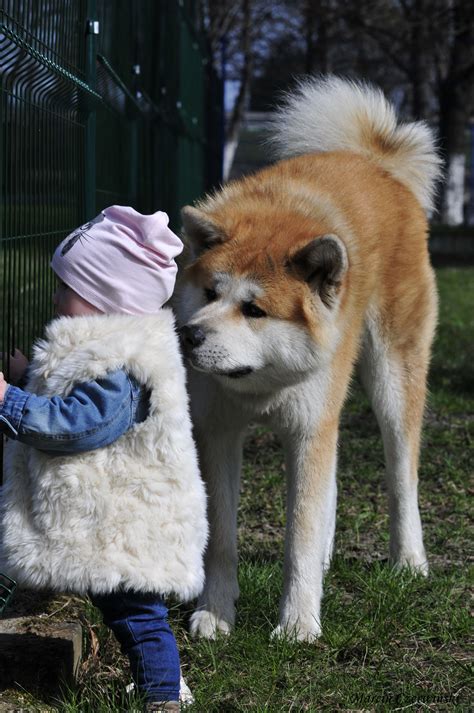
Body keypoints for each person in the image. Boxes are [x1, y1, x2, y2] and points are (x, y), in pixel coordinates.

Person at [0, 206, 208, 712]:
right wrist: (29, 377)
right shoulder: (102, 349)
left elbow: (79, 425)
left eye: (65, 288)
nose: (54, 297)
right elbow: (69, 399)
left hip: (124, 520)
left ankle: (163, 693)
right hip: (98, 513)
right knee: (127, 609)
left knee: (137, 612)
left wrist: (10, 401)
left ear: (105, 300)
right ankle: (161, 686)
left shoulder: (124, 364)